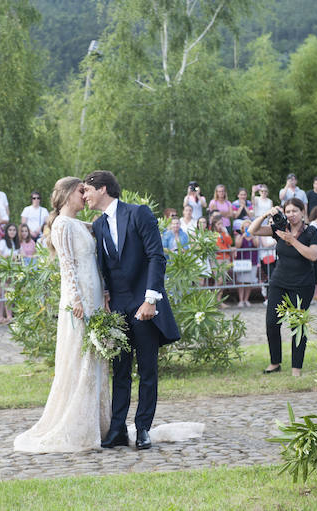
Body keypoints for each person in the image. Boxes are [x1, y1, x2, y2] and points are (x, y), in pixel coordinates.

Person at [83, 170, 183, 450]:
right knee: (121, 369)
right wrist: (105, 295)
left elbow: (156, 256)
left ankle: (142, 429)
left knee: (148, 369)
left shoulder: (138, 213)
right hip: (117, 306)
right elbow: (105, 266)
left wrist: (151, 299)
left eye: (87, 190)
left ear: (102, 188)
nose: (85, 196)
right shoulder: (99, 225)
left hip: (143, 303)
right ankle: (117, 430)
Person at [14, 177, 111, 452]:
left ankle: (99, 422)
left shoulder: (80, 224)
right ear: (68, 194)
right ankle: (77, 423)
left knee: (94, 354)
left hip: (94, 292)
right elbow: (67, 265)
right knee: (80, 353)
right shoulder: (61, 225)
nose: (84, 196)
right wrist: (76, 300)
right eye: (81, 191)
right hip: (78, 298)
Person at [250, 198, 317, 377]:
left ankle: (296, 368)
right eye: (287, 211)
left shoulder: (311, 231)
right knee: (271, 323)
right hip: (279, 282)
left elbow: (313, 255)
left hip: (302, 285)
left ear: (302, 212)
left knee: (297, 326)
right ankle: (275, 363)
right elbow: (253, 230)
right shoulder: (280, 229)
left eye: (294, 211)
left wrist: (292, 240)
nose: (291, 215)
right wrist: (266, 214)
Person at [234, 220, 258, 307]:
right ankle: (240, 300)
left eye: (249, 226)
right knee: (241, 281)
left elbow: (257, 245)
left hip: (252, 261)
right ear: (242, 228)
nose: (247, 228)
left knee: (249, 281)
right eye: (245, 227)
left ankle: (246, 299)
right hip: (242, 261)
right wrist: (242, 237)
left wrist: (253, 237)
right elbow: (237, 246)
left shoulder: (254, 236)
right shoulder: (239, 236)